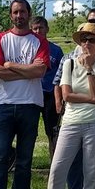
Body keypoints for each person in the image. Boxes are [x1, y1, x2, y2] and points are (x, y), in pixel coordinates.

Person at [0, 0, 50, 189]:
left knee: (24, 159)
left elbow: (40, 72)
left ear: (29, 14)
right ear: (11, 15)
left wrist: (10, 65)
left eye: (22, 12)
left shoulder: (39, 41)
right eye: (15, 12)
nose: (19, 16)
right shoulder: (1, 39)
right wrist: (24, 70)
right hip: (5, 106)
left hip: (30, 105)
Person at [44, 22, 95, 189]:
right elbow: (67, 95)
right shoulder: (69, 64)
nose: (87, 43)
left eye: (92, 40)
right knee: (57, 168)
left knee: (91, 170)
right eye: (84, 40)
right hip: (71, 122)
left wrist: (90, 70)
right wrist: (94, 98)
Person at [33, 15, 64, 158]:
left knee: (52, 131)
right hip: (32, 93)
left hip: (50, 94)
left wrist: (60, 97)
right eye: (35, 28)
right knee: (29, 131)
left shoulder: (56, 50)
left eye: (41, 28)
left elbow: (62, 75)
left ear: (47, 29)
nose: (38, 31)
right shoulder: (28, 48)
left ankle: (55, 162)